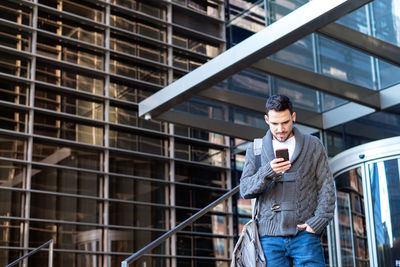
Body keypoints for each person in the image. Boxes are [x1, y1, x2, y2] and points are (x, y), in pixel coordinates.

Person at [240, 94, 336, 266]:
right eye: (275, 123)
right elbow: (245, 189)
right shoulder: (255, 149)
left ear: (293, 117)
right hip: (269, 239)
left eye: (285, 122)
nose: (280, 129)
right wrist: (267, 172)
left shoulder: (313, 145)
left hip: (306, 235)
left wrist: (317, 222)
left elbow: (326, 187)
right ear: (266, 120)